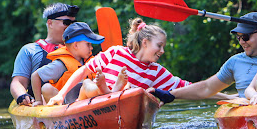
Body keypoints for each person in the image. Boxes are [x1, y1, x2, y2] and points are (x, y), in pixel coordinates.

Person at [48, 18, 190, 105]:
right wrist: (61, 95)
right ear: (145, 43)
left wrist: (205, 88)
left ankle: (114, 91)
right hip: (90, 103)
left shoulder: (157, 72)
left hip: (122, 106)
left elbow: (188, 88)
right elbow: (83, 70)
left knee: (130, 90)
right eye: (159, 46)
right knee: (87, 84)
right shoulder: (116, 52)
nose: (162, 51)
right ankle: (108, 90)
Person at [154, 12, 257, 103]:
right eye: (238, 37)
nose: (241, 42)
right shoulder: (235, 62)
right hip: (250, 112)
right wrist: (170, 95)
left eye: (245, 37)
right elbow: (207, 87)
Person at [10, 2, 79, 106]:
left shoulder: (81, 48)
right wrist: (22, 96)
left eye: (73, 24)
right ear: (50, 23)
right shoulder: (30, 50)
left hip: (75, 101)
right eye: (66, 22)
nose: (71, 27)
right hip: (44, 105)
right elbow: (18, 82)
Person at [30, 22, 106, 105]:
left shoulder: (90, 60)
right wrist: (38, 100)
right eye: (88, 44)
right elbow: (35, 76)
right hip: (66, 104)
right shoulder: (60, 65)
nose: (91, 48)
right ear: (75, 45)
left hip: (88, 101)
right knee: (46, 88)